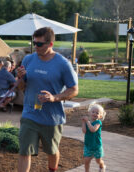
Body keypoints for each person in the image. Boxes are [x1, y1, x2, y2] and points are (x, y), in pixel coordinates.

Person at [16, 27, 78, 172]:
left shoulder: (63, 64)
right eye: (34, 43)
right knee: (24, 152)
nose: (35, 47)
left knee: (52, 151)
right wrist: (20, 77)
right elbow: (21, 87)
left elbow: (74, 90)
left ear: (50, 44)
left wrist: (54, 97)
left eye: (39, 44)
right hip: (29, 114)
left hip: (52, 118)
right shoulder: (28, 59)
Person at [82, 103, 106, 172]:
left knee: (98, 161)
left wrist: (87, 122)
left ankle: (102, 166)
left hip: (96, 146)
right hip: (88, 145)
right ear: (89, 113)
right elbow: (84, 131)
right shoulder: (88, 122)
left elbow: (93, 130)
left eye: (97, 113)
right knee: (86, 161)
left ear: (100, 116)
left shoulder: (98, 122)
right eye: (93, 112)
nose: (95, 114)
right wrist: (83, 123)